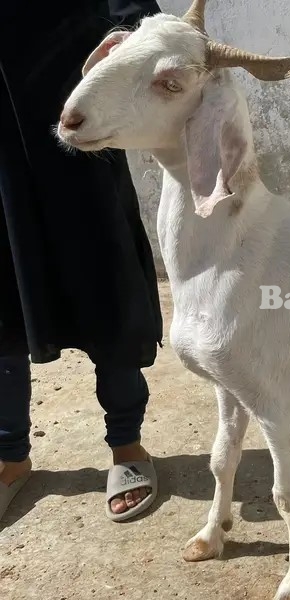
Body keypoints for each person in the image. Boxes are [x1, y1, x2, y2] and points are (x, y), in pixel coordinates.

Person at [0, 0, 164, 522]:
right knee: (1, 295)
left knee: (105, 280)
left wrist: (116, 51)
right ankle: (9, 456)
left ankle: (127, 444)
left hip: (78, 127)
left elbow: (137, 15)